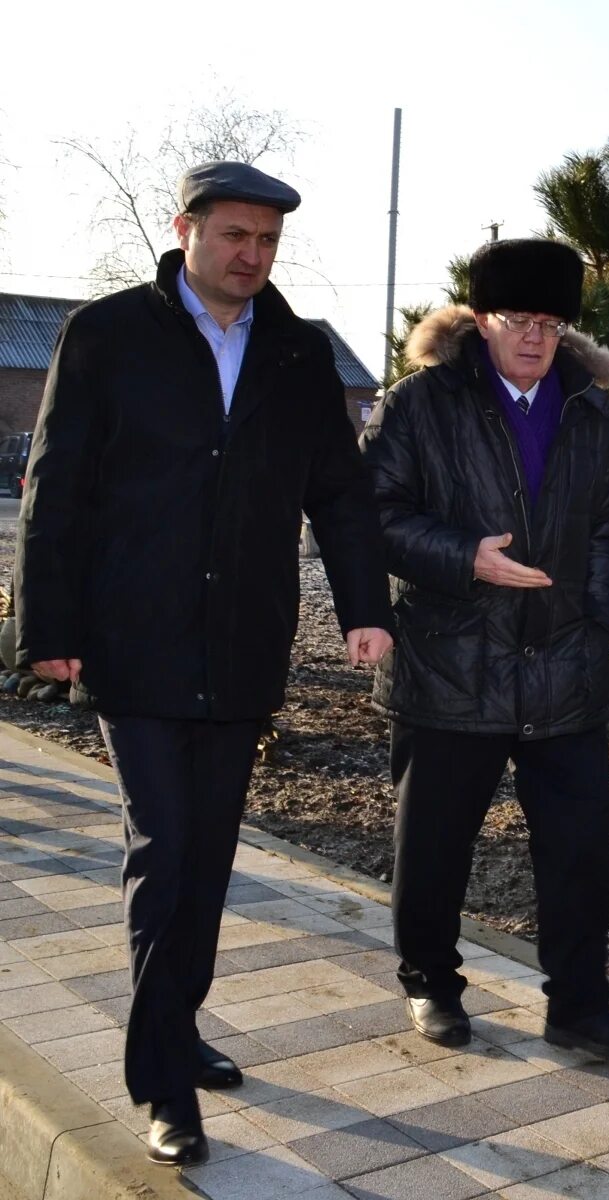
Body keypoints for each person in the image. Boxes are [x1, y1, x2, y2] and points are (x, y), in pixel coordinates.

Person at [13, 162, 393, 1166]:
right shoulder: (106, 335)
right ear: (186, 229)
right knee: (165, 849)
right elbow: (55, 486)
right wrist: (43, 624)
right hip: (129, 638)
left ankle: (176, 1023)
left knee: (210, 853)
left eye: (267, 242)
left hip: (241, 645)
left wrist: (366, 610)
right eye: (234, 236)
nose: (252, 257)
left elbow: (342, 495)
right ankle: (164, 1084)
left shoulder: (298, 353)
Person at [360, 238, 609, 1063]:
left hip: (564, 668)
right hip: (453, 662)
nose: (535, 337)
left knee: (581, 846)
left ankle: (579, 1007)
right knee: (434, 845)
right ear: (481, 319)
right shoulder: (422, 404)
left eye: (553, 323)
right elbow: (371, 515)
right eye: (519, 318)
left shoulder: (586, 408)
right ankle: (430, 984)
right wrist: (466, 558)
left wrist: (595, 620)